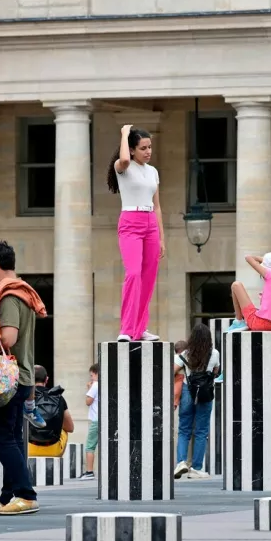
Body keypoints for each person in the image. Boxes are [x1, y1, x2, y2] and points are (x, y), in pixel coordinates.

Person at [0, 239, 47, 515]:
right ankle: (8, 496)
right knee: (12, 439)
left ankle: (26, 495)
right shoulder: (21, 291)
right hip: (22, 376)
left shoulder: (9, 296)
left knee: (0, 438)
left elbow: (8, 338)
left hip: (8, 379)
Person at [107, 124, 164, 342]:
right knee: (133, 274)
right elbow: (123, 159)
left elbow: (157, 206)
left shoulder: (153, 172)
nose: (148, 151)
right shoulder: (123, 167)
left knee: (148, 278)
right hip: (130, 222)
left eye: (150, 147)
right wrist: (124, 133)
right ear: (132, 149)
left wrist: (162, 237)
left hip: (151, 224)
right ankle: (127, 329)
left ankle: (140, 328)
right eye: (143, 148)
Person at [0, 265, 46, 428]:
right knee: (11, 432)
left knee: (3, 434)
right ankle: (29, 407)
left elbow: (7, 340)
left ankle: (30, 407)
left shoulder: (10, 293)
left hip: (9, 362)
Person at [172, 323, 220, 480]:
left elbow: (172, 370)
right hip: (205, 393)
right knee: (201, 431)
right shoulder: (214, 353)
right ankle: (196, 468)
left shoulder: (185, 354)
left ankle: (181, 462)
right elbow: (216, 371)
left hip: (188, 391)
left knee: (184, 429)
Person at [228, 253, 271, 332]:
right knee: (257, 310)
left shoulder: (270, 275)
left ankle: (238, 321)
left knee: (236, 285)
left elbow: (248, 257)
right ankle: (240, 321)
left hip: (259, 323)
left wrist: (264, 260)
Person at [27, 365, 75, 458]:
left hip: (28, 449)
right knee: (64, 431)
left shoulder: (25, 397)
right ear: (46, 379)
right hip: (53, 450)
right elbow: (70, 428)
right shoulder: (58, 397)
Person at [82, 364, 99, 481]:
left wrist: (89, 388)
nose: (91, 378)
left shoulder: (95, 385)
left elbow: (88, 401)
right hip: (103, 418)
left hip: (96, 420)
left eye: (92, 375)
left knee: (90, 446)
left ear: (97, 374)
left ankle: (89, 472)